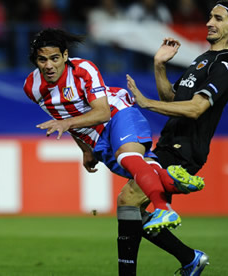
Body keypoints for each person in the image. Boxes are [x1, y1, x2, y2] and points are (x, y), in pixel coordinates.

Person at [22, 28, 204, 235]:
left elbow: (102, 113)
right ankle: (171, 180)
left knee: (128, 157)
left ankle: (164, 209)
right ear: (35, 61)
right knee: (144, 169)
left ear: (65, 55)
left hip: (118, 114)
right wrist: (85, 150)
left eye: (54, 58)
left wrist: (66, 124)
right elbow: (62, 116)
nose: (49, 66)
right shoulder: (32, 87)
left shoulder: (83, 69)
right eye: (42, 60)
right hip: (97, 141)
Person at [121, 1, 228, 275]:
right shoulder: (202, 59)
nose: (209, 22)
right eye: (209, 16)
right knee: (130, 205)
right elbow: (173, 99)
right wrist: (159, 65)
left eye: (218, 18)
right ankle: (189, 259)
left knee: (131, 197)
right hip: (170, 142)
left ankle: (173, 262)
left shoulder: (227, 65)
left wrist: (146, 103)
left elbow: (195, 109)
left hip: (185, 149)